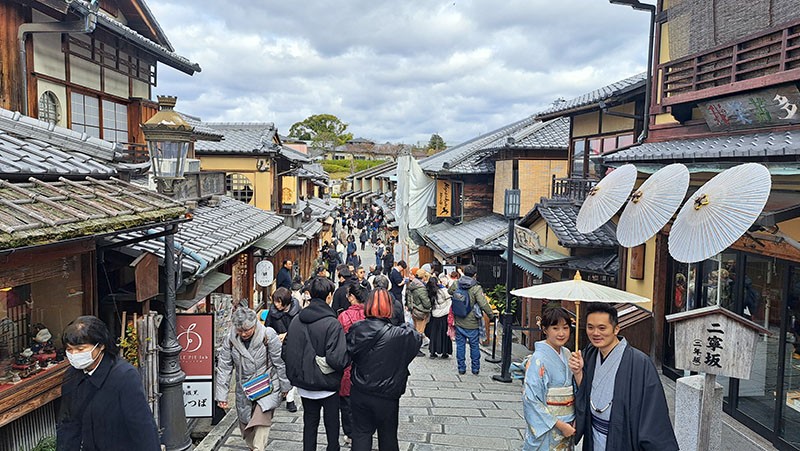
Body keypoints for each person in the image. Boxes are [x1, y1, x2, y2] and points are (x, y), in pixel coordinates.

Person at [569, 302, 678, 451]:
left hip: (623, 437)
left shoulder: (640, 363)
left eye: (602, 328)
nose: (595, 333)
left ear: (616, 329)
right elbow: (587, 393)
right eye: (590, 327)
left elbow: (653, 410)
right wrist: (578, 373)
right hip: (593, 435)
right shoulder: (589, 354)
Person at [57, 316, 160, 451]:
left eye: (80, 349)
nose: (74, 354)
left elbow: (141, 426)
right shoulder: (72, 375)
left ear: (100, 346)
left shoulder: (124, 376)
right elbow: (68, 423)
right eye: (69, 350)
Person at [347, 288, 422, 451]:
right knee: (388, 437)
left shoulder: (357, 329)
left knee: (361, 434)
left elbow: (348, 354)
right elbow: (416, 340)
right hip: (388, 395)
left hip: (361, 391)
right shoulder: (401, 334)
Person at [284, 277, 350, 451]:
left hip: (304, 384)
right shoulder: (332, 323)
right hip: (327, 385)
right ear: (329, 296)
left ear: (310, 295)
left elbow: (286, 350)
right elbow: (337, 359)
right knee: (332, 427)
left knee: (310, 424)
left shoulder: (297, 320)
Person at [216, 307, 290, 451]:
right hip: (245, 387)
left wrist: (285, 386)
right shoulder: (230, 339)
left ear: (255, 324)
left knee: (262, 420)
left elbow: (279, 362)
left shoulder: (268, 334)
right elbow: (224, 368)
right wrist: (222, 396)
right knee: (246, 424)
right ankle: (253, 447)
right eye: (240, 330)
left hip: (267, 384)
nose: (243, 333)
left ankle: (258, 449)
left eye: (247, 329)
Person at [523, 307, 576, 450]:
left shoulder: (568, 354)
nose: (561, 333)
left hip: (569, 422)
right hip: (550, 425)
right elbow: (531, 399)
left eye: (565, 328)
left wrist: (578, 372)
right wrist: (559, 425)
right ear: (545, 329)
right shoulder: (538, 359)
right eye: (555, 328)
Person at [338, 284, 368, 445]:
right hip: (368, 364)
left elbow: (339, 343)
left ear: (351, 297)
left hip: (348, 364)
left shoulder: (343, 316)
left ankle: (349, 433)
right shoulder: (370, 314)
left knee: (347, 402)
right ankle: (364, 430)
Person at [449, 264, 493, 375]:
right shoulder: (476, 287)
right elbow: (483, 303)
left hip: (459, 319)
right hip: (472, 322)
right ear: (475, 275)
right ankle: (475, 368)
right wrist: (491, 314)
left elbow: (450, 291)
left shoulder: (456, 283)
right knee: (474, 346)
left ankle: (461, 368)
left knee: (460, 345)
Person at [265, 287, 300, 412]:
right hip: (276, 346)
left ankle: (290, 399)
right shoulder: (272, 312)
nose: (276, 304)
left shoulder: (297, 312)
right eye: (275, 301)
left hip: (292, 346)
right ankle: (283, 392)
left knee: (291, 372)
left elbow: (300, 329)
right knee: (279, 370)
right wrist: (274, 336)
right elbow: (267, 328)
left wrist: (287, 334)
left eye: (279, 302)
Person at [405, 268, 431, 356]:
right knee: (419, 331)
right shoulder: (421, 288)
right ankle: (416, 350)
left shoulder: (412, 284)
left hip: (414, 310)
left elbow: (408, 297)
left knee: (416, 330)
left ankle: (414, 348)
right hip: (421, 311)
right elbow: (426, 303)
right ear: (423, 277)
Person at [426, 273, 452, 359]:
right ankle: (444, 352)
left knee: (434, 334)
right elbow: (449, 300)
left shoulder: (429, 292)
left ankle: (433, 351)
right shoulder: (443, 290)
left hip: (434, 314)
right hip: (444, 314)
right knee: (444, 334)